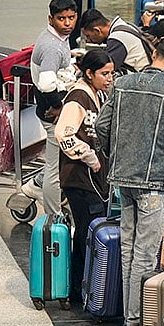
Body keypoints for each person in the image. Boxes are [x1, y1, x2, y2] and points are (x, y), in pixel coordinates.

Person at [95, 37, 164, 326]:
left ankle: (129, 314)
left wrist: (113, 154)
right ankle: (134, 317)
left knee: (128, 247)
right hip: (153, 181)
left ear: (153, 53)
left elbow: (102, 126)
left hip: (122, 176)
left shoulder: (122, 83)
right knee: (145, 251)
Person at [55, 49, 112, 307]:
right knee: (85, 233)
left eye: (111, 73)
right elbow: (64, 135)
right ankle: (76, 290)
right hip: (79, 178)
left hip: (92, 179)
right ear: (89, 73)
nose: (110, 78)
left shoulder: (97, 95)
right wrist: (90, 157)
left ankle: (83, 287)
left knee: (89, 231)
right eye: (105, 73)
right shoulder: (77, 98)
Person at [30, 0, 78, 216]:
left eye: (71, 17)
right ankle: (52, 218)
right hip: (51, 112)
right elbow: (47, 84)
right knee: (54, 169)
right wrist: (58, 107)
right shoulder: (52, 47)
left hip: (49, 107)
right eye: (61, 19)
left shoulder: (57, 39)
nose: (67, 23)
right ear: (51, 19)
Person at [79, 9, 152, 73]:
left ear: (97, 30)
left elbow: (105, 68)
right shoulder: (123, 25)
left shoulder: (117, 37)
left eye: (88, 36)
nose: (88, 40)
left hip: (141, 78)